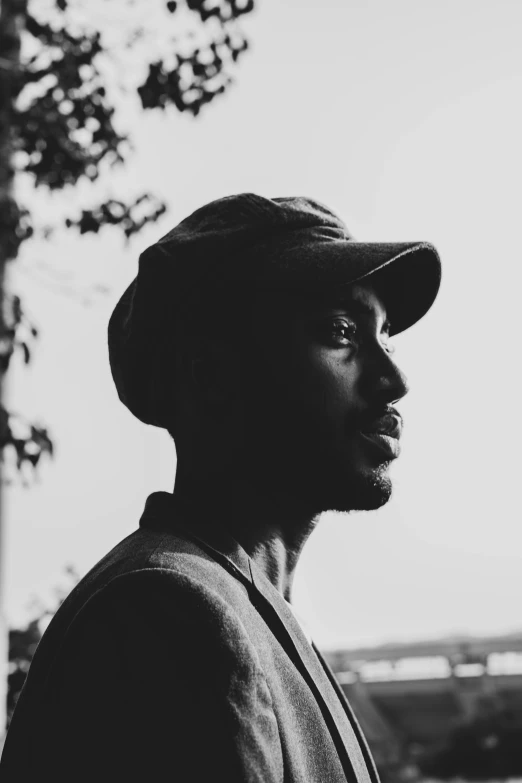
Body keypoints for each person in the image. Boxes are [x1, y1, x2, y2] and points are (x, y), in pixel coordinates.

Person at [0, 193, 441, 782]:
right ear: (210, 375)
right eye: (341, 332)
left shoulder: (248, 611)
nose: (395, 379)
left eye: (385, 335)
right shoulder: (175, 615)